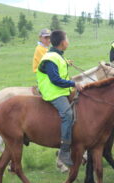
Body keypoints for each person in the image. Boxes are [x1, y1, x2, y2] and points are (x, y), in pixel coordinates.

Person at [36, 30, 83, 166]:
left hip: (60, 89)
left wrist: (66, 63)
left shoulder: (58, 55)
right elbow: (55, 79)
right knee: (67, 114)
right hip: (53, 91)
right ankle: (64, 151)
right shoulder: (51, 58)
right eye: (67, 38)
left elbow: (58, 67)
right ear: (63, 43)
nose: (68, 41)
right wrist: (74, 83)